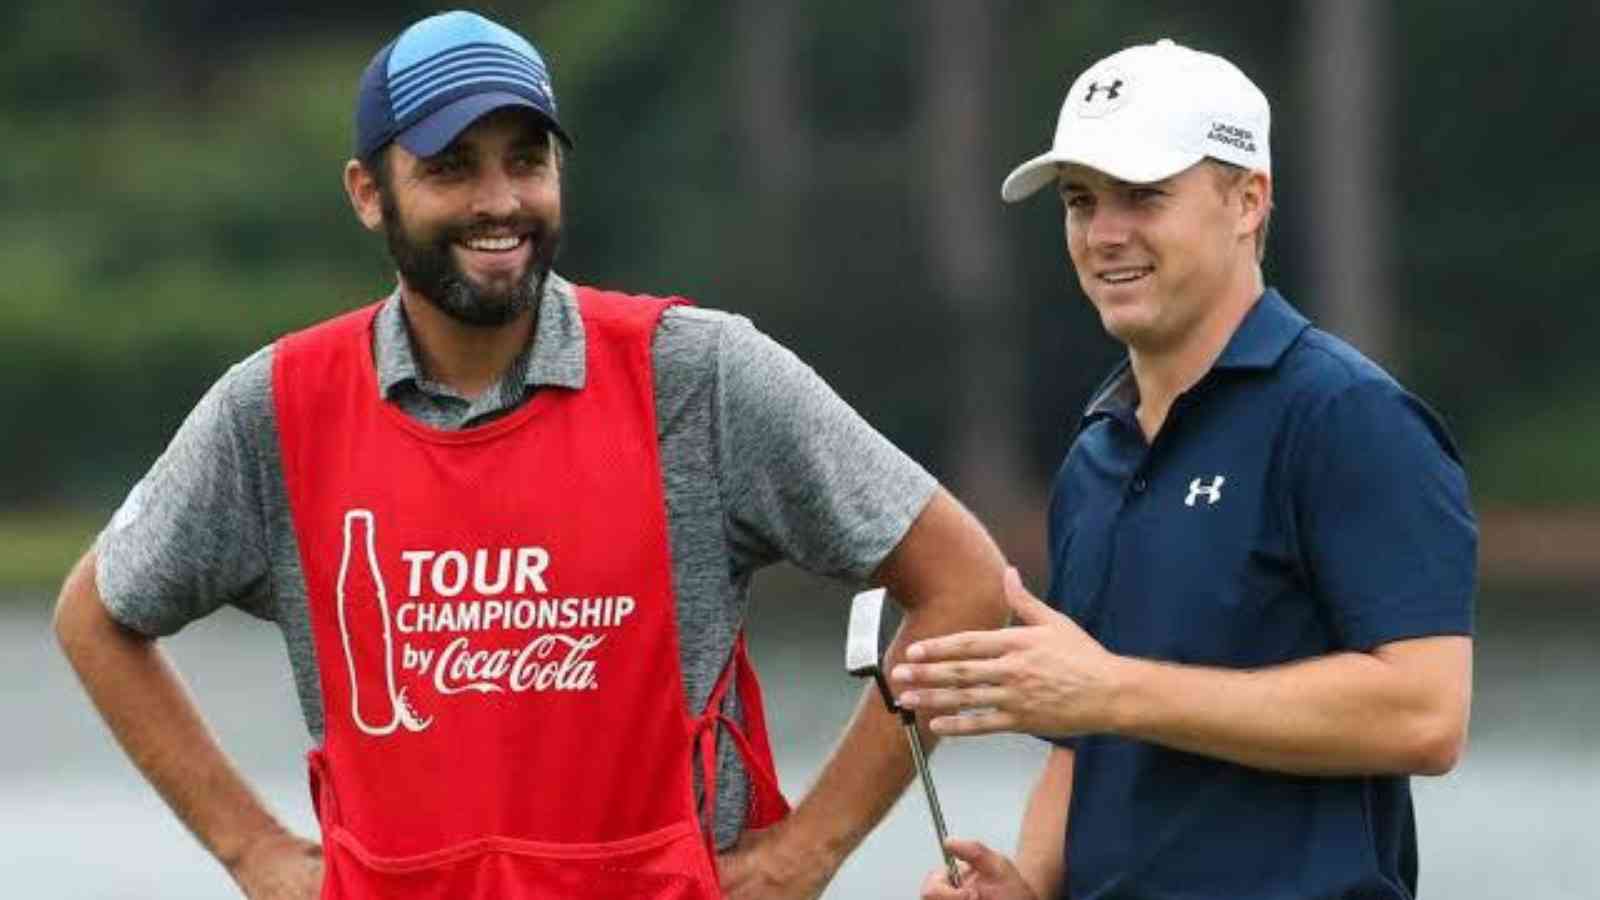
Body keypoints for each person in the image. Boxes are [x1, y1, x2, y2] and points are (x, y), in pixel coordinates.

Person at [52, 11, 1008, 900]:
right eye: (451, 168)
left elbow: (963, 583)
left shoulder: (698, 374)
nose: (500, 201)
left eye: (527, 159)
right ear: (367, 194)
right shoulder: (278, 407)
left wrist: (813, 849)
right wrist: (250, 849)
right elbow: (97, 616)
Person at [892, 39, 1476, 900]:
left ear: (1247, 201)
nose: (1103, 234)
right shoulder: (1097, 451)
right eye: (1080, 201)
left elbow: (1427, 714)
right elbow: (1079, 742)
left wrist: (1114, 693)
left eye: (1142, 196)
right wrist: (1030, 888)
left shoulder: (1347, 418)